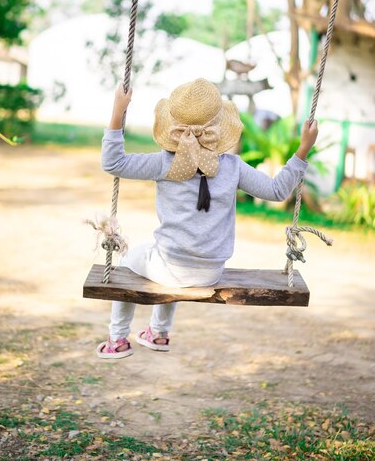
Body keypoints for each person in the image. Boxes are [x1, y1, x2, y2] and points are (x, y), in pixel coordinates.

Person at [97, 78, 318, 359]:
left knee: (130, 261)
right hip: (211, 271)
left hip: (170, 267)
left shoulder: (164, 162)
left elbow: (113, 163)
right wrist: (303, 149)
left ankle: (117, 339)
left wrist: (118, 110)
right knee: (171, 256)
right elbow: (277, 190)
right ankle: (158, 333)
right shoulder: (233, 167)